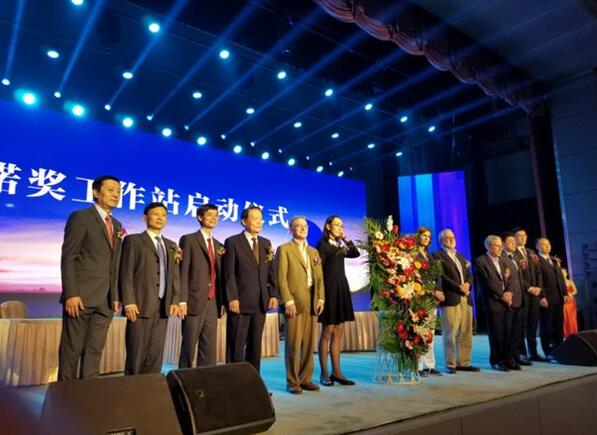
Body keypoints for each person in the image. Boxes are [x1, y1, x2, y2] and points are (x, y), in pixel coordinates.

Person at [58, 175, 124, 380]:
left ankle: (89, 392)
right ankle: (66, 394)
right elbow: (69, 256)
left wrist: (115, 295)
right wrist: (71, 293)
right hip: (81, 296)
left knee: (95, 350)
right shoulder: (81, 217)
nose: (116, 194)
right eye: (111, 190)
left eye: (118, 191)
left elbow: (115, 264)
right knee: (72, 349)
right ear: (96, 192)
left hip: (106, 300)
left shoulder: (117, 224)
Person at [119, 202, 180, 374]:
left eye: (164, 215)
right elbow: (126, 273)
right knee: (136, 354)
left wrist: (175, 300)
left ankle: (151, 387)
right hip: (140, 305)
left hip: (163, 307)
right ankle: (132, 389)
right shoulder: (133, 241)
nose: (160, 218)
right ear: (145, 217)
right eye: (156, 214)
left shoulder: (171, 245)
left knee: (155, 354)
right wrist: (129, 302)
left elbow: (175, 276)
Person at [224, 206, 278, 372]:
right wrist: (232, 297)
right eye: (255, 218)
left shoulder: (266, 243)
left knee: (255, 346)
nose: (259, 222)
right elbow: (229, 273)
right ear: (244, 221)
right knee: (236, 345)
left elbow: (271, 271)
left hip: (260, 303)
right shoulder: (233, 242)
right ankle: (234, 382)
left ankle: (253, 382)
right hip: (240, 302)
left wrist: (273, 294)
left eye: (261, 218)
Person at [277, 216, 325, 394]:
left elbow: (319, 278)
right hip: (294, 303)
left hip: (312, 302)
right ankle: (292, 381)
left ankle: (305, 379)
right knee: (293, 344)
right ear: (291, 230)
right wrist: (287, 300)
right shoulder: (284, 249)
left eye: (305, 226)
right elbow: (281, 278)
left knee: (309, 344)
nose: (303, 228)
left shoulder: (313, 251)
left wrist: (321, 298)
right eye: (298, 226)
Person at [178, 204, 224, 368]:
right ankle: (183, 377)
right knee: (189, 344)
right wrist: (182, 300)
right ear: (200, 217)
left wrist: (222, 301)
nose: (213, 218)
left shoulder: (218, 245)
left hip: (213, 301)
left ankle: (206, 378)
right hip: (193, 299)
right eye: (209, 215)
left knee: (209, 346)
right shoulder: (189, 239)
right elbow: (183, 271)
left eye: (216, 215)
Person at [317, 215, 360, 386]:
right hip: (329, 291)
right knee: (327, 332)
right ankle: (324, 373)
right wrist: (320, 295)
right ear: (328, 226)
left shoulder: (339, 245)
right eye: (337, 225)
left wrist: (346, 239)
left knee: (339, 332)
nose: (340, 228)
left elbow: (355, 253)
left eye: (342, 225)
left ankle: (337, 372)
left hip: (341, 289)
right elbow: (319, 271)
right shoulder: (322, 245)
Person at [433, 229, 480, 374]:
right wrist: (459, 287)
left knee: (466, 332)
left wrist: (468, 285)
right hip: (451, 298)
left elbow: (469, 274)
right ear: (441, 241)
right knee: (450, 333)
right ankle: (450, 364)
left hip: (465, 298)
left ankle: (464, 363)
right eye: (447, 238)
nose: (450, 240)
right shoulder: (437, 255)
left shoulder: (460, 255)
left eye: (452, 237)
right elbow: (441, 275)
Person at [414, 226, 444, 377]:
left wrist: (438, 292)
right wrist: (430, 291)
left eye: (429, 236)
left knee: (430, 334)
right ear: (418, 236)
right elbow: (414, 277)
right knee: (420, 332)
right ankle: (418, 366)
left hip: (432, 299)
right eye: (424, 235)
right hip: (419, 298)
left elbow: (438, 275)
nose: (427, 238)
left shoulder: (430, 256)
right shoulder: (413, 254)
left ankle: (430, 365)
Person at [513, 228, 545, 363]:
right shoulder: (512, 253)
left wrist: (539, 288)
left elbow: (538, 272)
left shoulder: (531, 252)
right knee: (521, 325)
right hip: (522, 293)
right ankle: (522, 353)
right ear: (514, 238)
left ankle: (534, 353)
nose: (523, 238)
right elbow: (516, 275)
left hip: (535, 293)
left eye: (524, 235)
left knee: (533, 324)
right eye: (519, 236)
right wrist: (529, 288)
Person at [501, 233, 529, 368]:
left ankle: (516, 356)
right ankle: (508, 358)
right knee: (509, 331)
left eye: (514, 242)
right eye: (510, 241)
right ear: (503, 243)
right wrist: (507, 294)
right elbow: (504, 279)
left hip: (521, 298)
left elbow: (520, 278)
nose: (514, 244)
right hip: (510, 299)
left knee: (518, 331)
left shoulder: (516, 257)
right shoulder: (501, 257)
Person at [535, 238, 566, 359]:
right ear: (537, 246)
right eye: (543, 244)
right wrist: (542, 297)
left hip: (558, 297)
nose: (547, 246)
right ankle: (548, 351)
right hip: (547, 299)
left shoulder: (553, 260)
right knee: (547, 326)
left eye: (548, 244)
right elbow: (538, 280)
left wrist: (564, 293)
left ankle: (559, 349)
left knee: (558, 326)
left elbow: (561, 278)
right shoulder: (536, 260)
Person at [562, 268, 578, 338]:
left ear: (566, 273)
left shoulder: (570, 281)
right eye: (562, 272)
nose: (563, 274)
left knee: (571, 318)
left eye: (564, 272)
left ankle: (573, 333)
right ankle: (565, 334)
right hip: (564, 301)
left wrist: (570, 294)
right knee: (565, 317)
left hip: (571, 302)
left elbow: (575, 291)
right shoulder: (560, 282)